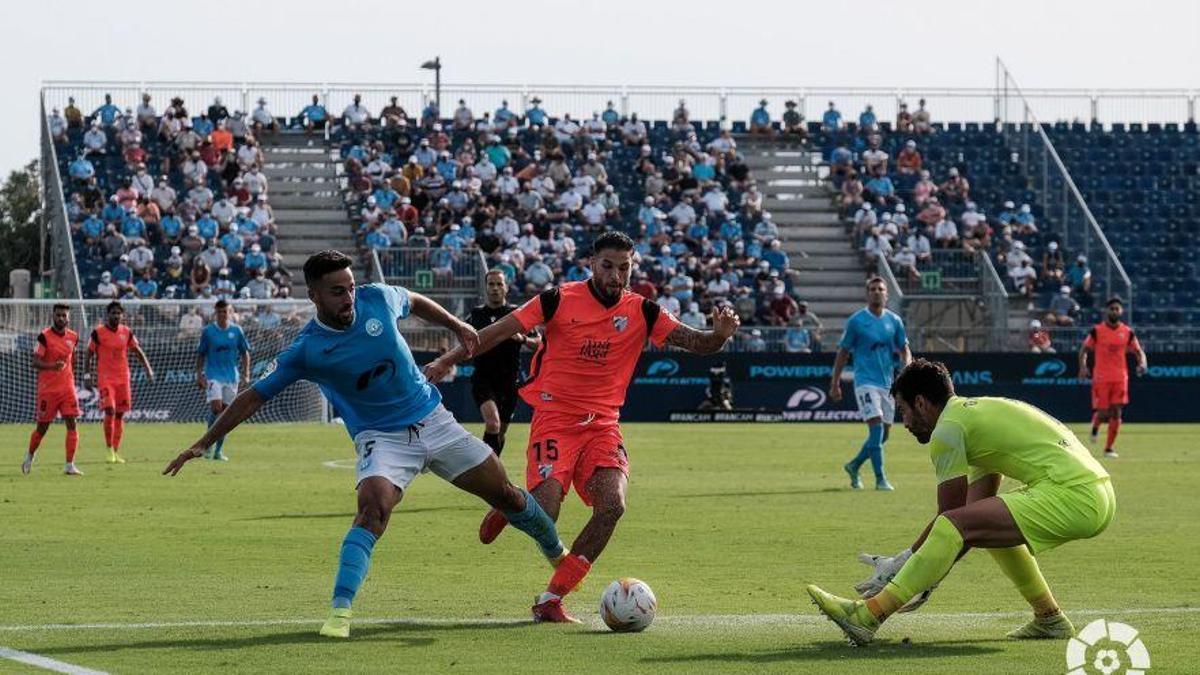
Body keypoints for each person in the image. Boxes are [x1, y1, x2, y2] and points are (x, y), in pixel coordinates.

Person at [162, 250, 567, 640]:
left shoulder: (376, 297)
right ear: (314, 295)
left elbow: (414, 299)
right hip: (382, 437)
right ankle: (340, 611)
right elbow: (254, 396)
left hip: (434, 420)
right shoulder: (308, 349)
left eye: (351, 287)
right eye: (337, 291)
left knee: (509, 496)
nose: (349, 297)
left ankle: (559, 557)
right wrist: (204, 441)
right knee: (373, 509)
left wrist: (456, 325)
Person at [422, 231, 739, 623]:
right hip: (555, 420)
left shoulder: (644, 310)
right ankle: (510, 503)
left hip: (603, 426)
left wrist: (720, 336)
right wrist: (445, 362)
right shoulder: (558, 299)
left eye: (624, 267)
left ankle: (551, 598)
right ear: (591, 263)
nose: (616, 275)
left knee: (613, 506)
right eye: (608, 266)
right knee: (547, 514)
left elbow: (697, 342)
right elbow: (493, 333)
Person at [807, 358, 1115, 645]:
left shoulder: (948, 431)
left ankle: (868, 615)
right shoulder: (976, 419)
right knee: (987, 529)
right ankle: (1050, 619)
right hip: (1098, 495)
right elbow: (970, 520)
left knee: (957, 524)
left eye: (903, 410)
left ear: (920, 403)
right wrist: (922, 569)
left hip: (1074, 495)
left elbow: (951, 519)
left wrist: (903, 567)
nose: (905, 422)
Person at [829, 277, 912, 491]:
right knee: (876, 430)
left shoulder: (894, 321)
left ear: (886, 294)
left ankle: (854, 465)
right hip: (865, 382)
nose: (877, 292)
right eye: (873, 289)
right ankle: (880, 479)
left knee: (884, 434)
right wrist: (835, 382)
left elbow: (904, 348)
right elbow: (843, 352)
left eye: (880, 289)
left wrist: (908, 367)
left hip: (887, 384)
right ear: (867, 294)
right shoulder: (857, 321)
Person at [467, 270, 540, 456]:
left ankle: (492, 472)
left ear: (506, 288)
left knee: (499, 432)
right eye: (491, 284)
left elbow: (540, 344)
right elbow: (462, 340)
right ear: (485, 288)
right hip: (483, 379)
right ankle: (484, 470)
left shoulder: (517, 314)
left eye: (499, 284)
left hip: (509, 382)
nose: (495, 288)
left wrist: (522, 339)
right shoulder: (476, 315)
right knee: (493, 424)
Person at [87, 302, 154, 464]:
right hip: (105, 379)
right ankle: (109, 449)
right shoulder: (98, 332)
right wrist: (87, 375)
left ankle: (116, 451)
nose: (116, 316)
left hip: (123, 378)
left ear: (122, 315)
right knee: (109, 411)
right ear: (107, 314)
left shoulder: (127, 332)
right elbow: (88, 353)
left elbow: (138, 352)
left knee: (120, 414)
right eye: (113, 313)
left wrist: (148, 369)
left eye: (118, 313)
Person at [1079, 297, 1147, 458]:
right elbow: (1085, 350)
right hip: (1102, 377)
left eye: (1117, 309)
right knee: (1103, 413)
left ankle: (1108, 448)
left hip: (1120, 377)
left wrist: (1142, 363)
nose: (1115, 311)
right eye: (1112, 309)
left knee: (1116, 412)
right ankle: (1095, 425)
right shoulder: (1097, 331)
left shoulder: (1128, 332)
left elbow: (1138, 351)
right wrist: (1083, 366)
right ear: (1107, 311)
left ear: (1121, 311)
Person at [22, 304, 83, 476]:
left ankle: (69, 464)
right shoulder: (44, 337)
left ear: (68, 317)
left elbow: (74, 358)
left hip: (67, 389)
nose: (61, 318)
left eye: (64, 315)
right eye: (58, 315)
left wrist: (74, 379)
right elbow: (35, 362)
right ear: (53, 316)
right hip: (48, 390)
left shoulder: (73, 337)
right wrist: (52, 366)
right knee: (42, 428)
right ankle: (30, 456)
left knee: (72, 423)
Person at [196, 299, 251, 461]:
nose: (222, 314)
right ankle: (206, 446)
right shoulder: (208, 331)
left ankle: (218, 451)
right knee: (216, 409)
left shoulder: (237, 330)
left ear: (230, 312)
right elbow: (201, 354)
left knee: (226, 414)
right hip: (213, 375)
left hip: (231, 376)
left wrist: (246, 373)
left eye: (225, 311)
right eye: (219, 312)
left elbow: (245, 353)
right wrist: (199, 374)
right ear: (215, 313)